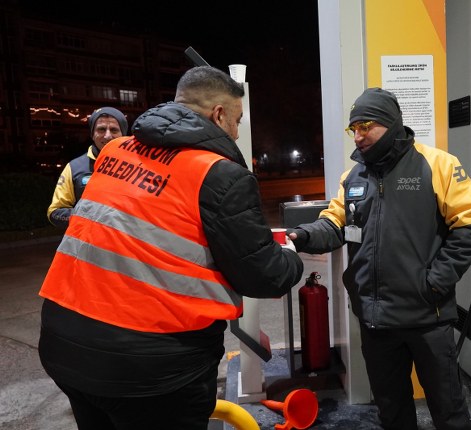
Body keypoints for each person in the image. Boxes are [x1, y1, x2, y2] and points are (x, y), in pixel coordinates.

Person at [38, 66, 304, 430]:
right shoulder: (219, 174)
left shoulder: (115, 152)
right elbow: (264, 275)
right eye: (237, 121)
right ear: (219, 114)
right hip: (151, 371)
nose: (237, 133)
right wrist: (289, 254)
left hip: (65, 346)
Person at [288, 88, 471, 430]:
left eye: (366, 126)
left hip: (427, 316)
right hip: (376, 320)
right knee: (392, 412)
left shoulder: (438, 164)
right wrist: (304, 235)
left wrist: (434, 281)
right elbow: (335, 224)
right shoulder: (353, 177)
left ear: (391, 123)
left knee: (449, 412)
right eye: (354, 128)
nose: (358, 136)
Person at [46, 106, 129, 227]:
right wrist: (87, 216)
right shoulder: (74, 168)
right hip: (88, 239)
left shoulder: (139, 165)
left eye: (114, 130)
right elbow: (55, 212)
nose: (107, 136)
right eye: (101, 129)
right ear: (92, 134)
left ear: (124, 135)